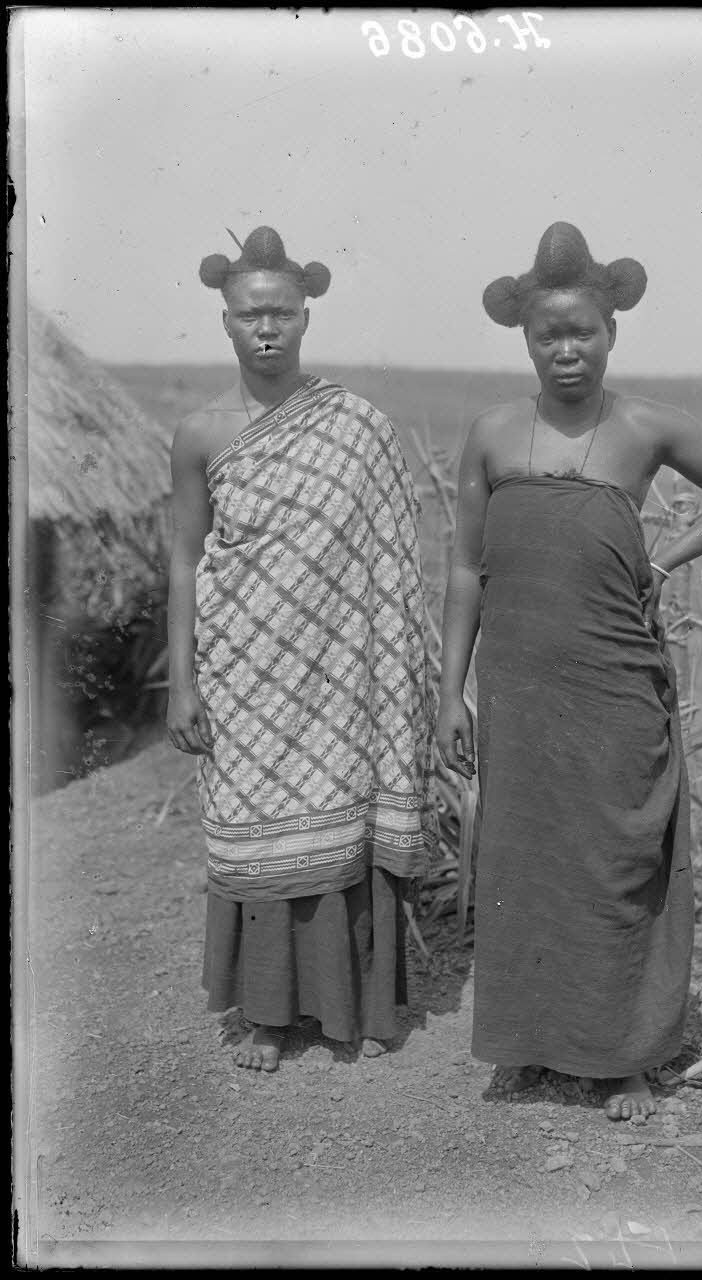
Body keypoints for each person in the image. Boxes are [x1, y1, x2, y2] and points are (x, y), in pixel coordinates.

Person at [436, 222, 702, 1119]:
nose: (566, 350)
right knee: (526, 855)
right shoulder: (491, 433)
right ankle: (531, 1040)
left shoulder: (644, 425)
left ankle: (621, 1057)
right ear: (525, 340)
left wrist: (665, 559)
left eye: (581, 332)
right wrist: (449, 694)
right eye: (547, 335)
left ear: (610, 331)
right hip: (517, 686)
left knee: (615, 853)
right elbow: (464, 567)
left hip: (614, 679)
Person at [167, 226, 436, 1072]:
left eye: (281, 313)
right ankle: (264, 1013)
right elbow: (183, 559)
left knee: (343, 823)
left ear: (306, 316)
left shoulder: (357, 426)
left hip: (341, 669)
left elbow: (391, 554)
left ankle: (351, 1004)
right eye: (250, 315)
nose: (266, 329)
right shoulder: (200, 432)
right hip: (243, 669)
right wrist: (182, 682)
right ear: (225, 321)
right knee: (253, 831)